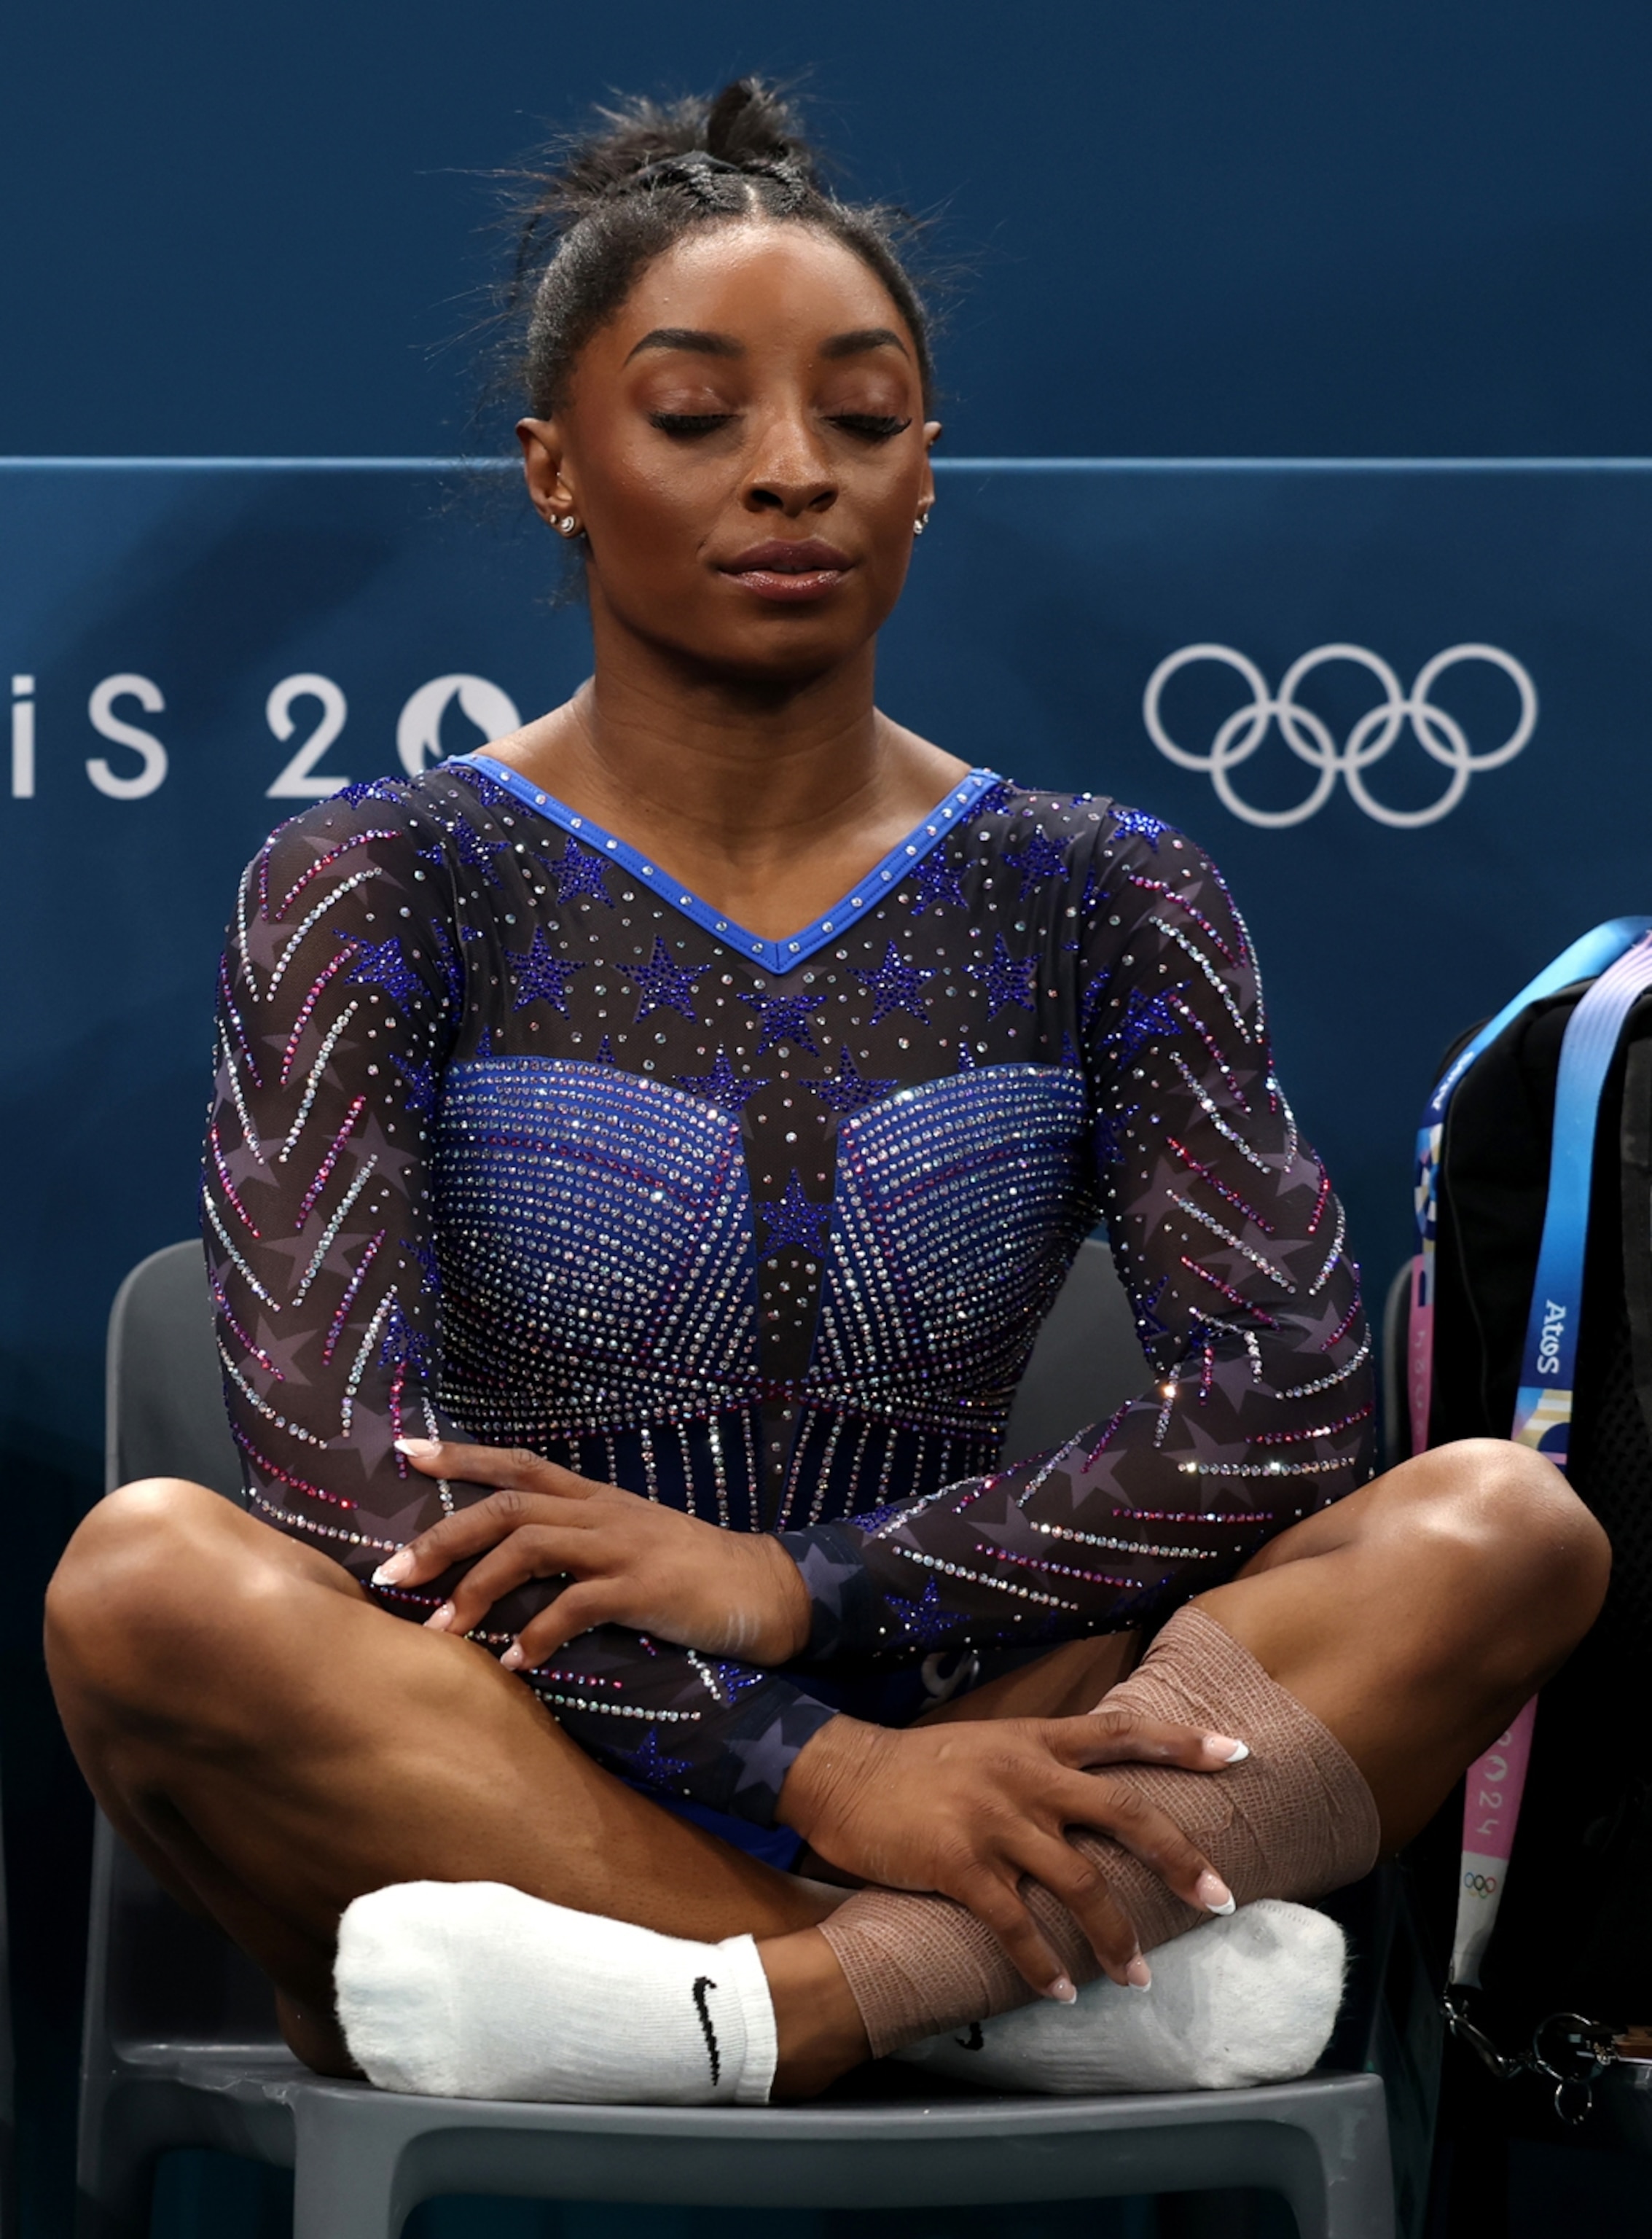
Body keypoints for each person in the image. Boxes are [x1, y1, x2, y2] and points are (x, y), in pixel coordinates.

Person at [46, 80, 1606, 2106]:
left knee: (1502, 1526)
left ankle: (747, 2016)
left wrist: (814, 1593)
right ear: (555, 466)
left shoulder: (1098, 889)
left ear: (926, 473)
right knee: (151, 1582)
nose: (789, 473)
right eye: (696, 417)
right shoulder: (378, 884)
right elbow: (353, 1490)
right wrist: (816, 1767)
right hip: (532, 1749)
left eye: (858, 420)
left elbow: (1286, 1411)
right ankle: (1017, 1989)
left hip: (1001, 1724)